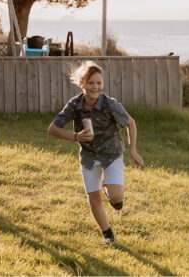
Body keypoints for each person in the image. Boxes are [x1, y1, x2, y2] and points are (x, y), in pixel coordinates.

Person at [48, 61, 144, 245]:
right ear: (82, 84)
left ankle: (110, 191)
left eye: (99, 83)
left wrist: (133, 151)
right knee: (93, 198)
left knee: (116, 198)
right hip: (89, 157)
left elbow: (130, 123)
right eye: (91, 83)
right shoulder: (74, 105)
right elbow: (52, 129)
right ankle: (108, 236)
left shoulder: (110, 104)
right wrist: (76, 136)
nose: (95, 87)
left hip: (111, 153)